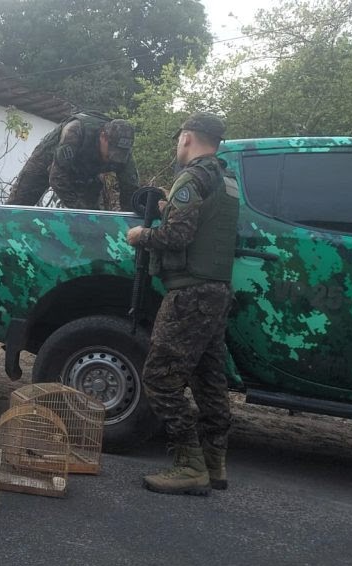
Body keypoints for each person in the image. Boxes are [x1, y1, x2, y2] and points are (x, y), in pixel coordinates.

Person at [126, 112, 238, 496]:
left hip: (189, 294)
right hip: (216, 291)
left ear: (187, 137)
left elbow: (176, 237)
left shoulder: (191, 178)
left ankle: (190, 466)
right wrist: (167, 209)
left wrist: (141, 235)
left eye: (179, 139)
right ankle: (214, 462)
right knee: (209, 379)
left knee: (159, 379)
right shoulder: (226, 180)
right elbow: (204, 225)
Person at [6, 113, 139, 210]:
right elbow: (57, 177)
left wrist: (130, 223)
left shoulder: (123, 152)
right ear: (103, 136)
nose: (114, 157)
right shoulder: (76, 130)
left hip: (85, 172)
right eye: (111, 151)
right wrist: (79, 208)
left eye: (120, 153)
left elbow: (130, 190)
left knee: (93, 217)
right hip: (47, 160)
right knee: (17, 205)